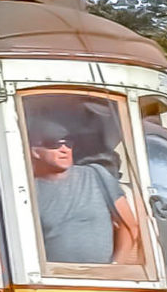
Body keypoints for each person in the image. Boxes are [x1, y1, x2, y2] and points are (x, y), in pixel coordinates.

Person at [26, 109, 142, 267]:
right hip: (54, 283)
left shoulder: (96, 175)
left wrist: (114, 267)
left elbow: (129, 227)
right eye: (54, 144)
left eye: (68, 143)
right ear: (35, 151)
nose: (64, 149)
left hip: (100, 283)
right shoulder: (28, 191)